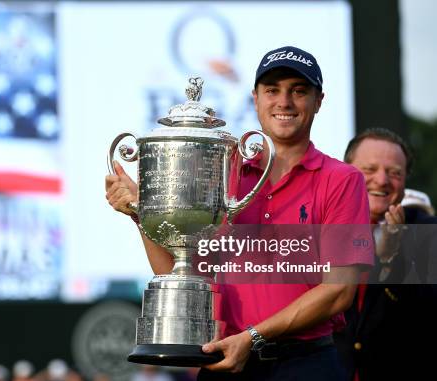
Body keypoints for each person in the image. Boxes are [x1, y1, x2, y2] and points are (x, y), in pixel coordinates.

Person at [106, 46, 373, 380]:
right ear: (256, 98)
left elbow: (339, 292)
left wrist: (252, 337)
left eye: (299, 91)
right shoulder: (223, 175)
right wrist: (143, 214)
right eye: (272, 90)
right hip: (223, 363)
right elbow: (187, 272)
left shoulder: (342, 180)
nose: (284, 102)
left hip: (304, 365)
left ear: (319, 101)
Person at [336, 128, 437, 380]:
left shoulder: (426, 232)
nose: (381, 180)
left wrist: (390, 258)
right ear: (343, 172)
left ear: (405, 181)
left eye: (395, 173)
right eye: (369, 169)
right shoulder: (318, 222)